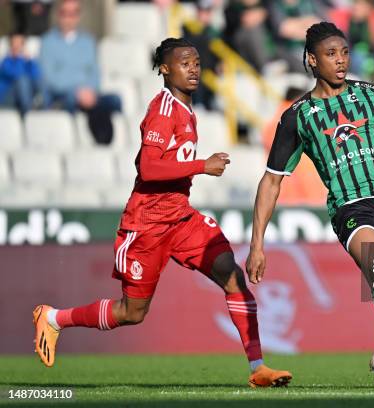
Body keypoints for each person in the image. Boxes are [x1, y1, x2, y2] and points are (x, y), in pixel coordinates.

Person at [32, 37, 292, 388]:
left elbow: (147, 159)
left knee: (232, 276)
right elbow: (149, 169)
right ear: (165, 69)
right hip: (147, 224)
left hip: (180, 218)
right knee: (132, 313)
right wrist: (202, 166)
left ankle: (258, 367)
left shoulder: (186, 110)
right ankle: (54, 318)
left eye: (197, 62)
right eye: (185, 62)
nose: (194, 68)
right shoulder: (163, 110)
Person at [246, 22, 374, 389]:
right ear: (311, 60)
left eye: (344, 53)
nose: (340, 61)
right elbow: (271, 180)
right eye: (330, 54)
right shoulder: (297, 116)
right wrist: (257, 243)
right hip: (349, 208)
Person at [39, 0, 121, 145]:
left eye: (73, 13)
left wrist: (89, 91)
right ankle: (104, 139)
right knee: (90, 103)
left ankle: (104, 140)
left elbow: (95, 73)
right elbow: (50, 79)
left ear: (78, 16)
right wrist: (78, 90)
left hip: (88, 95)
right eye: (65, 13)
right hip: (63, 96)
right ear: (59, 15)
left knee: (115, 100)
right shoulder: (47, 42)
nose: (69, 18)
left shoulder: (87, 42)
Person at [182, 0, 220, 109]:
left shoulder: (214, 32)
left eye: (207, 11)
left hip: (210, 75)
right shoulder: (187, 29)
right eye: (201, 11)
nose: (204, 15)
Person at [0, 32, 43, 115]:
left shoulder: (28, 61)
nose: (17, 46)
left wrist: (29, 61)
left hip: (24, 95)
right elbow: (16, 74)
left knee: (39, 81)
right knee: (22, 81)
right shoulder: (6, 61)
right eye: (14, 43)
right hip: (7, 97)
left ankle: (43, 105)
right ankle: (28, 112)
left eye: (20, 43)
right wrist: (21, 58)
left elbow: (37, 75)